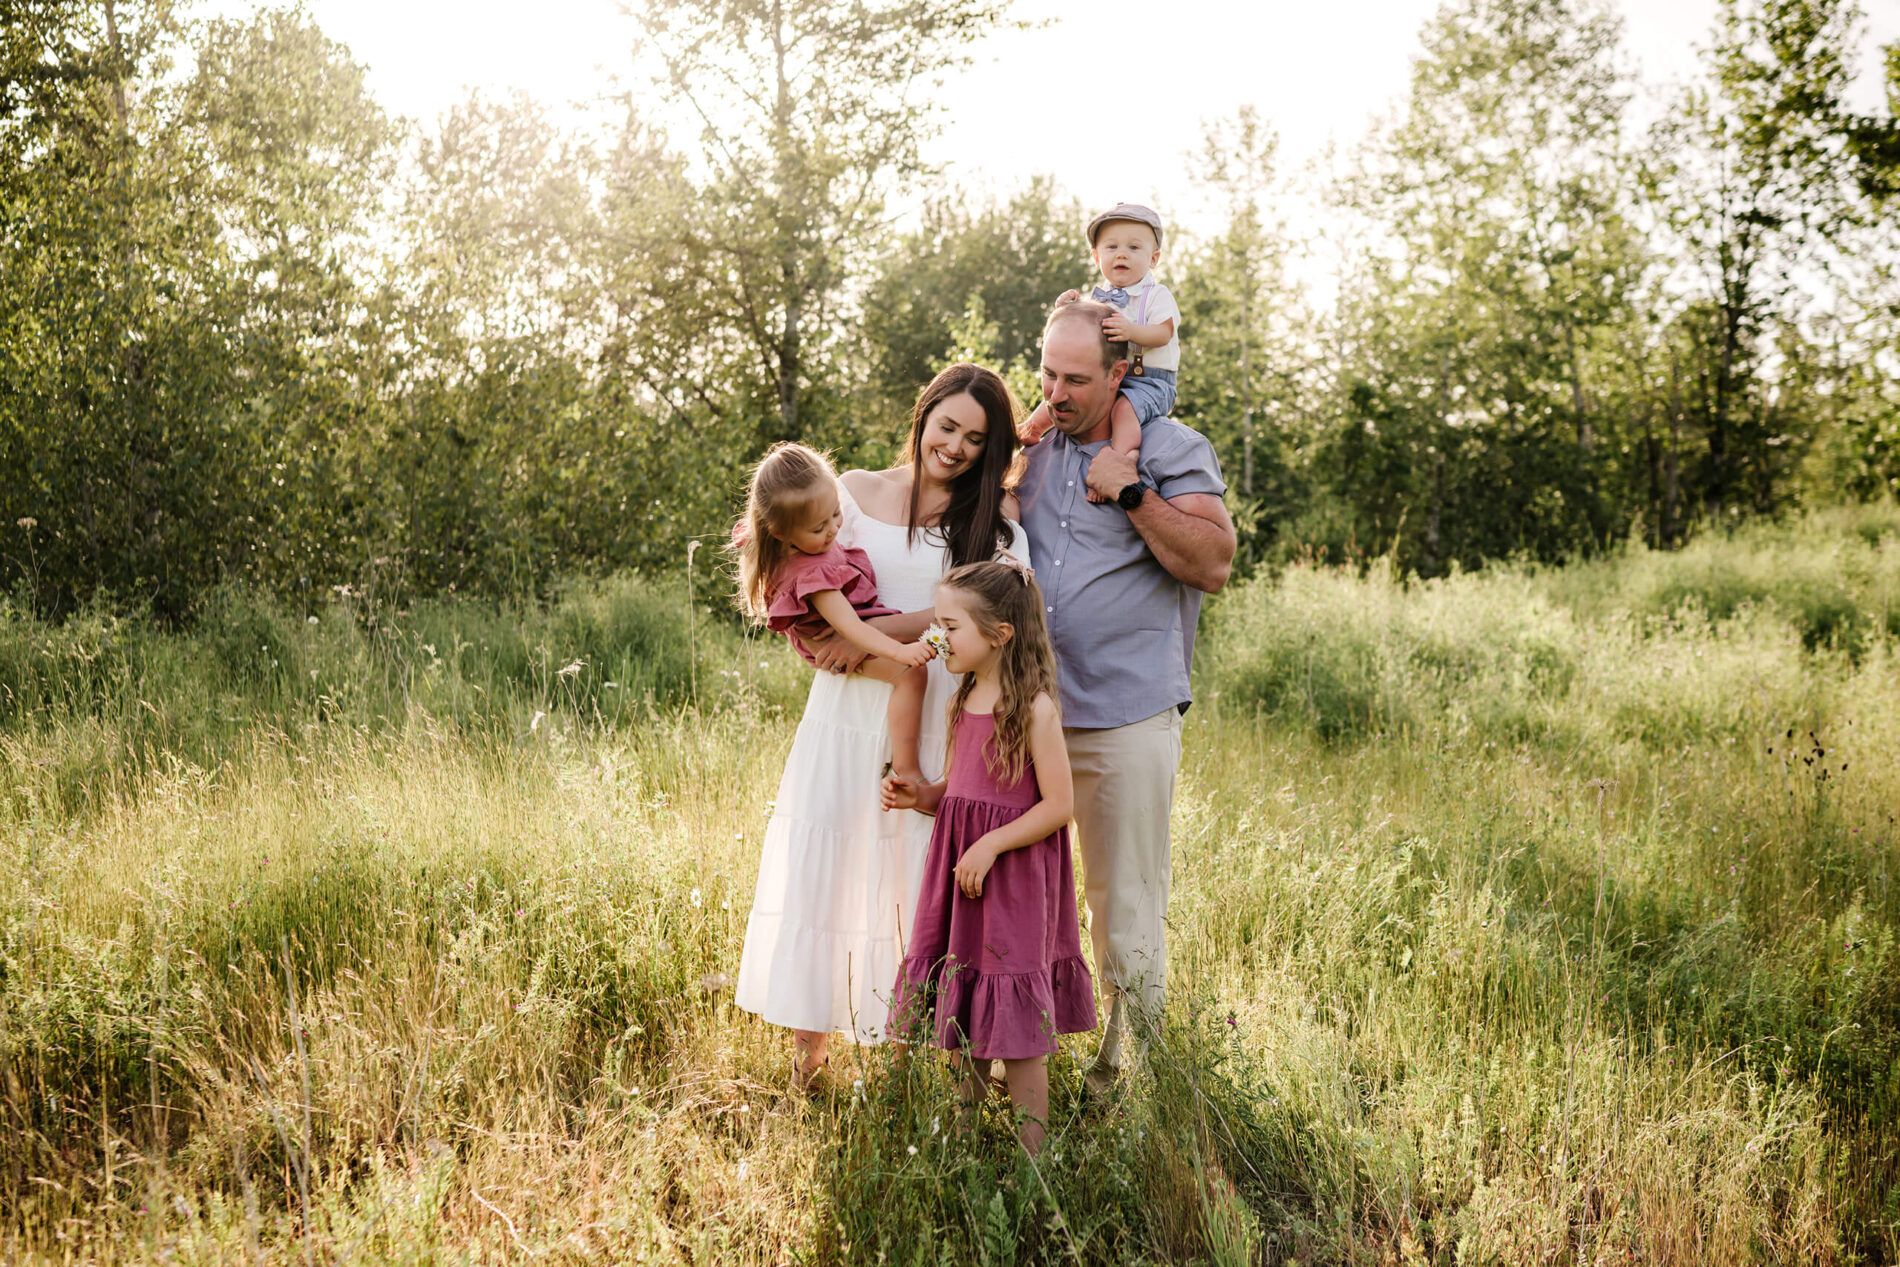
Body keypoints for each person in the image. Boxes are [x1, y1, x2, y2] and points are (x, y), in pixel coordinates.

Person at [733, 364, 1027, 1093]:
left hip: (933, 717)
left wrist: (870, 636)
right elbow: (789, 572)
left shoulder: (996, 530)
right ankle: (809, 1055)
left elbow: (995, 619)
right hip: (844, 713)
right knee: (830, 868)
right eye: (946, 425)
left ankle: (910, 1057)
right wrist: (814, 638)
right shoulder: (854, 493)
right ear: (923, 413)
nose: (954, 446)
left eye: (974, 438)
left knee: (912, 879)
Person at [1016, 300, 1236, 1094]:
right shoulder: (1030, 454)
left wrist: (1134, 489)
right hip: (1029, 715)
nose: (1057, 391)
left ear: (1122, 373)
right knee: (1017, 897)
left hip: (1126, 713)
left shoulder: (1173, 448)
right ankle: (1016, 1058)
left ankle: (1135, 1079)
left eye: (1077, 378)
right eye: (1047, 372)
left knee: (1126, 898)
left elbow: (1213, 561)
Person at [882, 559, 1095, 1155]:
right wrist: (919, 796)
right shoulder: (966, 696)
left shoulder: (1036, 711)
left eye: (950, 627)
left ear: (999, 634)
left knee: (1020, 1029)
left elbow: (1058, 805)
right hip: (963, 880)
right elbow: (962, 790)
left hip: (1012, 882)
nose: (936, 637)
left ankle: (1036, 1166)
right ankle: (963, 1149)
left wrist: (992, 842)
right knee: (965, 1012)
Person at [732, 441, 936, 786]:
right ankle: (907, 767)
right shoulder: (814, 577)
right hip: (834, 639)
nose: (833, 529)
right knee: (912, 675)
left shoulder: (800, 543)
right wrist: (902, 651)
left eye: (835, 514)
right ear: (780, 532)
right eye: (818, 528)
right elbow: (852, 629)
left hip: (851, 624)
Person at [1019, 204, 1182, 503]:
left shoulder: (1156, 296)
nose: (1122, 254)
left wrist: (1132, 331)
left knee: (1123, 411)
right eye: (1111, 247)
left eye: (1134, 247)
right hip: (1111, 378)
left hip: (1150, 382)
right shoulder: (1097, 299)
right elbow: (1078, 334)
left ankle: (1118, 463)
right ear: (1096, 257)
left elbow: (1163, 333)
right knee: (1059, 395)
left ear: (1154, 258)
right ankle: (1031, 429)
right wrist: (1065, 309)